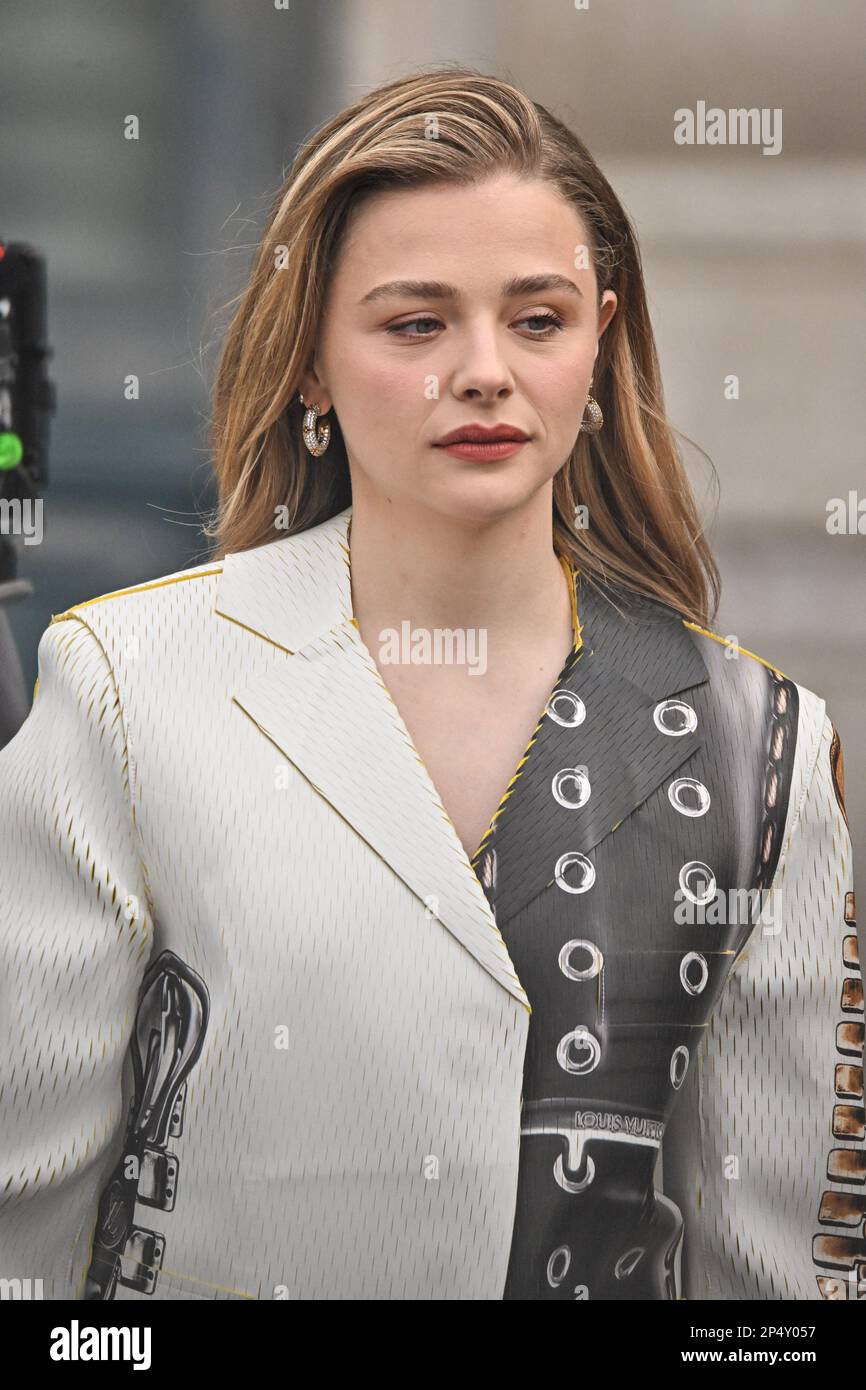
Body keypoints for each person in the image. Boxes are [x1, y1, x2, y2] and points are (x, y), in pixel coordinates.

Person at [0, 66, 860, 1302]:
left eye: (538, 319)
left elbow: (776, 1291)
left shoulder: (753, 741)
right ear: (308, 365)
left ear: (599, 345)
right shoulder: (130, 690)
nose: (482, 370)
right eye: (415, 323)